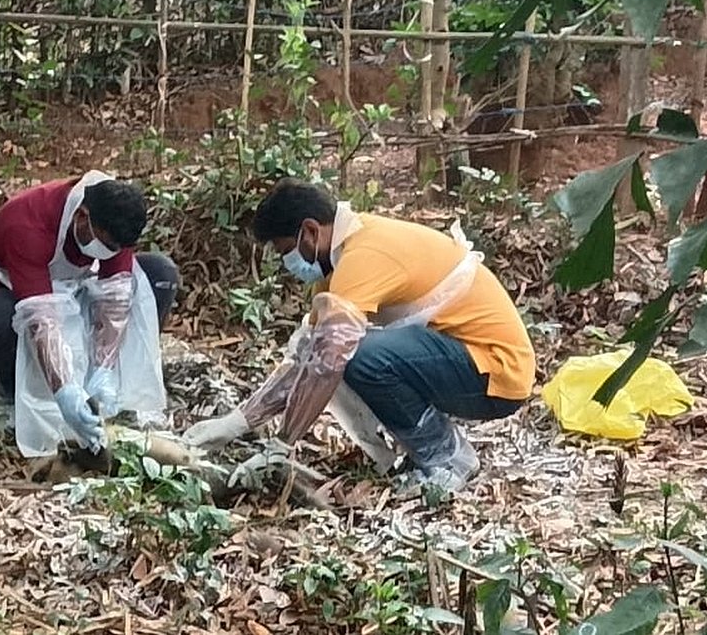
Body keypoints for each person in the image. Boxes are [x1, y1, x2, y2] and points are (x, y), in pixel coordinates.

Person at [185, 178, 535, 492]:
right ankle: (424, 452)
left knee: (356, 354)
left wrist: (282, 445)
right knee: (332, 346)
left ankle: (448, 458)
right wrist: (237, 422)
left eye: (285, 250)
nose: (288, 261)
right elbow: (306, 357)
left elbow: (329, 359)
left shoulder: (363, 255)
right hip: (465, 363)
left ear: (310, 231)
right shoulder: (341, 260)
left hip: (496, 372)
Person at [0, 171, 180, 457]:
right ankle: (10, 389)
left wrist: (104, 370)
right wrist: (64, 390)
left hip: (77, 289)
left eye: (115, 248)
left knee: (160, 274)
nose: (108, 252)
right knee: (3, 324)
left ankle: (111, 387)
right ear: (81, 217)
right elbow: (40, 317)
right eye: (104, 245)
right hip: (14, 294)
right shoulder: (27, 223)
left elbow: (115, 297)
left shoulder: (114, 220)